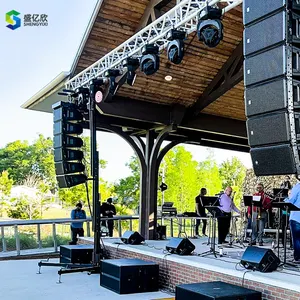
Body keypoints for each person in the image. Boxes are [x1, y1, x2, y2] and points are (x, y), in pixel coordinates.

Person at [285, 180, 300, 263]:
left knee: (297, 239)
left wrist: (284, 200)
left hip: (296, 217)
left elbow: (291, 201)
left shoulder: (297, 186)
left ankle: (298, 258)